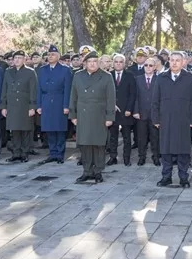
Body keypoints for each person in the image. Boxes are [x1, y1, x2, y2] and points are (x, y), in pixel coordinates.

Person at [152, 52, 192, 188]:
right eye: (172, 60)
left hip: (183, 120)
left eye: (177, 60)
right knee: (166, 150)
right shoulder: (162, 77)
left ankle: (183, 178)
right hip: (165, 120)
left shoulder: (190, 78)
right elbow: (155, 101)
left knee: (183, 151)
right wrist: (156, 119)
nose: (174, 63)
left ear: (183, 62)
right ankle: (166, 177)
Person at [70, 50, 116, 184]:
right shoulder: (78, 76)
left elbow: (110, 99)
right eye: (89, 61)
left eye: (95, 61)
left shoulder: (106, 76)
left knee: (98, 144)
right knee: (84, 144)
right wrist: (73, 115)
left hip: (99, 115)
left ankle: (98, 171)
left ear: (99, 63)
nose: (92, 64)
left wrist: (110, 117)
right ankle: (87, 171)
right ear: (85, 63)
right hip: (83, 115)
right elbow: (73, 96)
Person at [36, 45, 73, 164]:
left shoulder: (65, 70)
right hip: (46, 101)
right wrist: (39, 105)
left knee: (60, 129)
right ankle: (52, 153)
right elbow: (39, 89)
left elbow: (68, 89)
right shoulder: (43, 69)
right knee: (49, 129)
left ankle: (60, 154)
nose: (50, 56)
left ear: (58, 56)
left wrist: (66, 106)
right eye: (49, 54)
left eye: (53, 54)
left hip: (59, 101)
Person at [1, 50, 37, 162]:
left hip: (24, 105)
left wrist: (32, 106)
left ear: (24, 59)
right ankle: (16, 153)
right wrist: (3, 106)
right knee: (14, 130)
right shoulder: (8, 72)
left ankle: (25, 153)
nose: (17, 60)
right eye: (15, 58)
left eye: (19, 58)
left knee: (25, 130)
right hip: (12, 105)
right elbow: (4, 89)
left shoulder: (30, 72)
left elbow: (33, 90)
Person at [107, 53, 136, 166]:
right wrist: (111, 105)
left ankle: (126, 158)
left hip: (125, 111)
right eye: (116, 62)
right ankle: (113, 157)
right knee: (113, 136)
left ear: (124, 64)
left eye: (121, 62)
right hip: (112, 111)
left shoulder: (130, 76)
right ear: (113, 63)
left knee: (127, 137)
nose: (118, 64)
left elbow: (133, 94)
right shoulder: (108, 75)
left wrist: (129, 109)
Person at [133, 57, 160, 166]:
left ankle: (156, 157)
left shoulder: (159, 79)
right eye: (146, 65)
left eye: (150, 65)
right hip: (141, 113)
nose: (148, 67)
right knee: (141, 137)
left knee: (155, 137)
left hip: (154, 114)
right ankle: (141, 157)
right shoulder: (137, 79)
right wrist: (135, 111)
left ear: (154, 67)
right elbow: (135, 96)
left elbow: (161, 97)